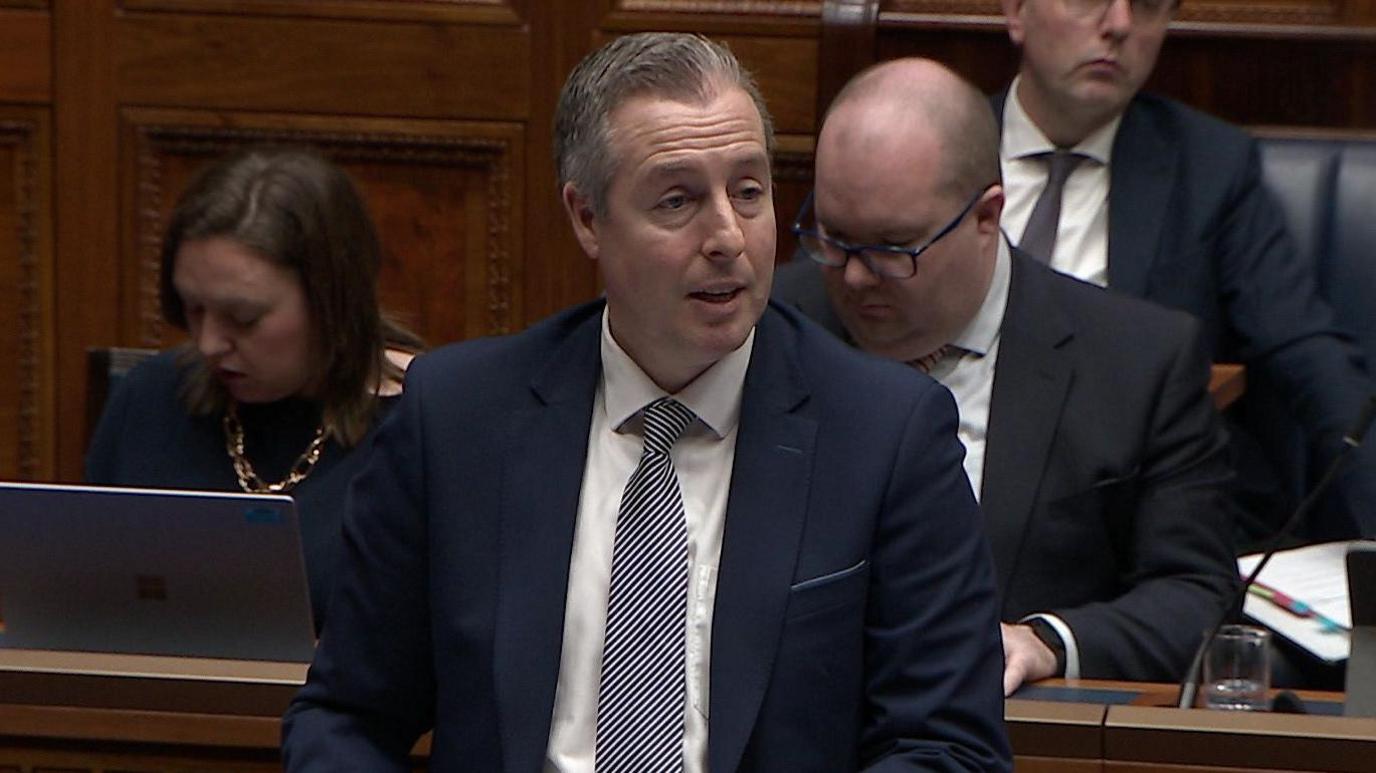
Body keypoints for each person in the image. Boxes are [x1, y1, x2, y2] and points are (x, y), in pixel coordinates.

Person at [282, 32, 1010, 771]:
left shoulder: (887, 434)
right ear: (587, 218)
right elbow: (345, 717)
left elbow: (948, 747)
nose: (728, 236)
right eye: (678, 200)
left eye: (749, 191)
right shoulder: (457, 417)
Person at [773, 58, 1238, 693]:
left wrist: (1047, 641)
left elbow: (1197, 596)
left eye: (892, 247)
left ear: (987, 216)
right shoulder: (765, 331)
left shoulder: (1139, 361)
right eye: (834, 238)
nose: (854, 276)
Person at [995, 0, 1376, 540]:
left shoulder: (1211, 167)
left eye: (1148, 5)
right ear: (1015, 11)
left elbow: (1304, 350)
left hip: (1133, 512)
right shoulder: (937, 149)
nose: (1120, 24)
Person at [85, 146, 424, 633]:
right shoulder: (150, 397)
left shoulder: (428, 423)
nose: (207, 344)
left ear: (333, 301)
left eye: (242, 318)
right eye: (192, 309)